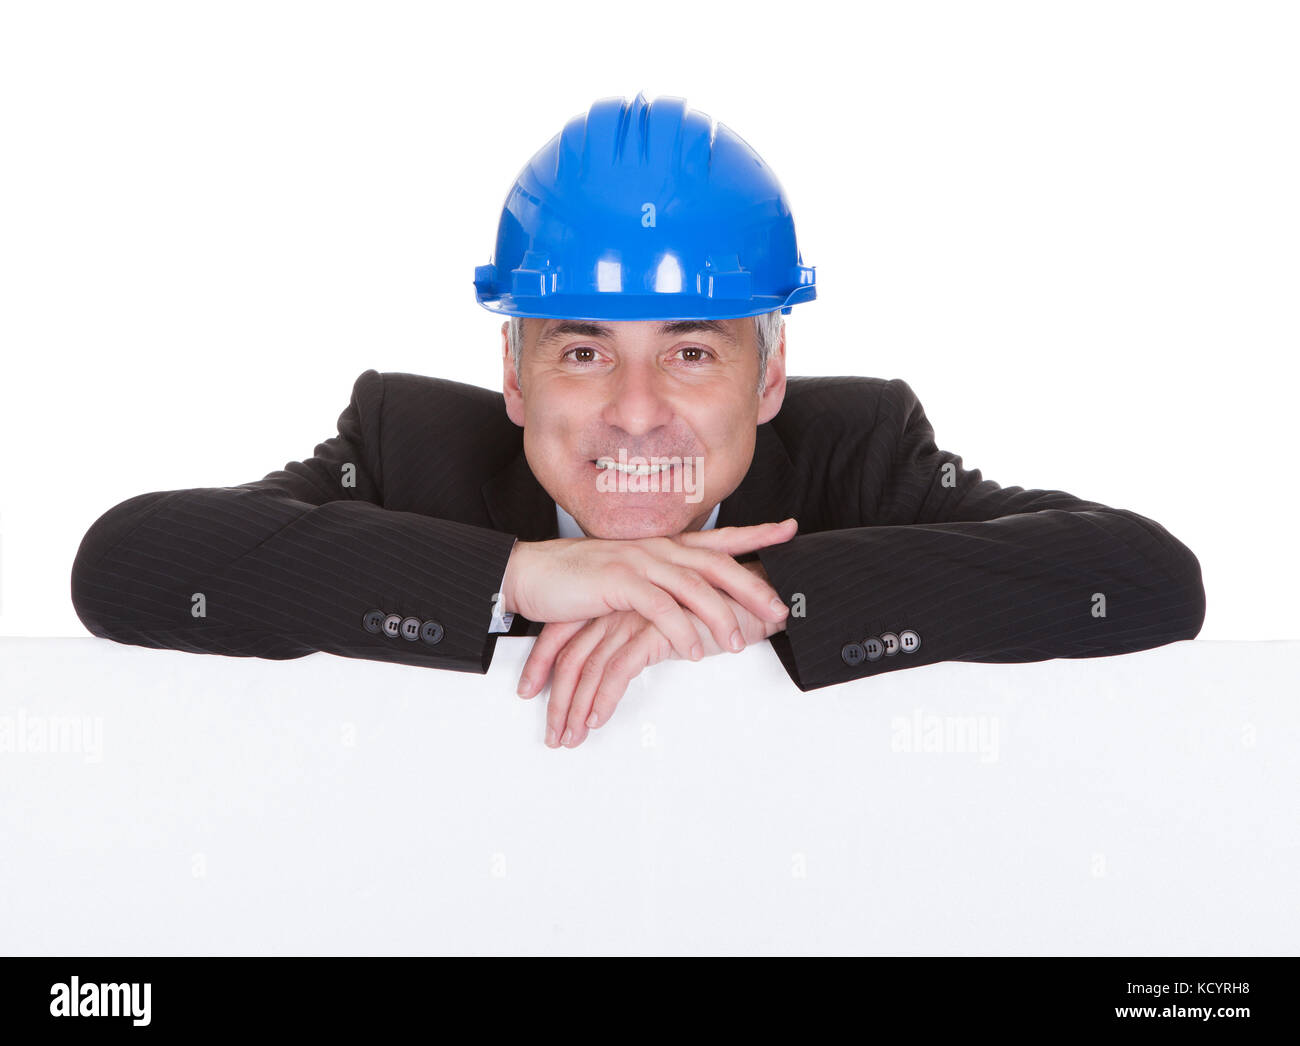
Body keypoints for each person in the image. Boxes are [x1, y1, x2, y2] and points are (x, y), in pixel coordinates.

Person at [70, 91, 1205, 750]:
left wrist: (734, 603)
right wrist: (514, 574)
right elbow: (128, 564)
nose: (636, 412)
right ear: (513, 378)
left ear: (769, 381)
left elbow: (1148, 577)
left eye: (693, 352)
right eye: (580, 351)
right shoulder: (405, 442)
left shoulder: (858, 446)